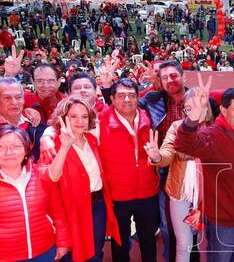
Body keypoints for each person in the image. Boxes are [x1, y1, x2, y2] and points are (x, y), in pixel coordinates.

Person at [174, 86, 234, 262]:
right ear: (223, 110)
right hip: (224, 223)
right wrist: (193, 117)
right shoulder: (212, 135)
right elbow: (183, 146)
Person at [46, 96, 121, 262]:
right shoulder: (53, 144)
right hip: (70, 209)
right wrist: (64, 147)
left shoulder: (92, 140)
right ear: (63, 118)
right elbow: (50, 179)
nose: (80, 121)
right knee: (73, 254)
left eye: (84, 116)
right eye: (73, 116)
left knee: (95, 252)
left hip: (97, 205)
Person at [99, 78, 160, 262]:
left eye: (131, 95)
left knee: (148, 238)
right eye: (121, 95)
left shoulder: (149, 117)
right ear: (112, 98)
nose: (127, 100)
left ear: (138, 97)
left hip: (147, 191)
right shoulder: (100, 121)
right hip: (118, 195)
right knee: (120, 242)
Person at [145, 88, 209, 262]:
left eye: (198, 106)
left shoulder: (214, 128)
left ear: (206, 107)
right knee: (184, 244)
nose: (193, 111)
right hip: (179, 193)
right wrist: (157, 156)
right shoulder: (177, 127)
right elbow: (167, 153)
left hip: (209, 196)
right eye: (188, 108)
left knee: (209, 243)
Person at [0, 124, 70, 261]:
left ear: (26, 149)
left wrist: (62, 242)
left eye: (16, 146)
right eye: (1, 147)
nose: (9, 152)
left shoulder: (40, 174)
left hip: (44, 251)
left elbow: (58, 212)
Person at [0, 77, 46, 161]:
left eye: (18, 97)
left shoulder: (36, 125)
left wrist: (49, 136)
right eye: (7, 98)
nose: (14, 102)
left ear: (23, 100)